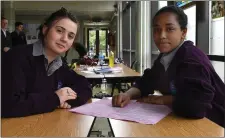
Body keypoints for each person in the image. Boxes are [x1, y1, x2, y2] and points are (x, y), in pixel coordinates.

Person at [112, 5, 225, 128]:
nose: (162, 35)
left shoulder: (191, 58)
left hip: (215, 124)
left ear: (183, 32)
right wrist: (127, 95)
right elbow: (146, 82)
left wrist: (162, 100)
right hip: (185, 123)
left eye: (170, 29)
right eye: (157, 30)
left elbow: (196, 105)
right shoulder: (165, 57)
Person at [2, 7, 92, 118]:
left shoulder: (60, 64)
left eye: (70, 36)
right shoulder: (16, 57)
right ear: (45, 30)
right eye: (59, 30)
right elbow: (8, 105)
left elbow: (85, 85)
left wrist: (67, 99)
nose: (64, 39)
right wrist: (55, 99)